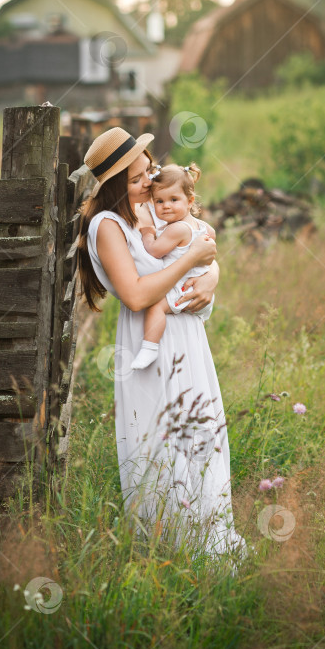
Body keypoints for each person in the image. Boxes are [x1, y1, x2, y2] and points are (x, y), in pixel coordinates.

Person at [76, 126, 248, 563]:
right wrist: (194, 261)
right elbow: (136, 293)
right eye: (136, 179)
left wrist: (211, 277)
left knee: (201, 432)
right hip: (149, 341)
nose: (148, 183)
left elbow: (200, 243)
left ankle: (209, 540)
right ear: (115, 186)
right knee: (160, 441)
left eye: (148, 172)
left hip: (186, 334)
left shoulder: (150, 211)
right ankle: (167, 549)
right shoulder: (107, 225)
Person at [131, 161, 216, 370]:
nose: (166, 205)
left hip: (182, 289)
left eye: (173, 199)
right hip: (198, 290)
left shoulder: (176, 229)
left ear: (190, 201)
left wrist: (147, 232)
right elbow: (211, 245)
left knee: (155, 308)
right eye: (159, 201)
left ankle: (149, 349)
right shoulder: (204, 227)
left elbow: (154, 250)